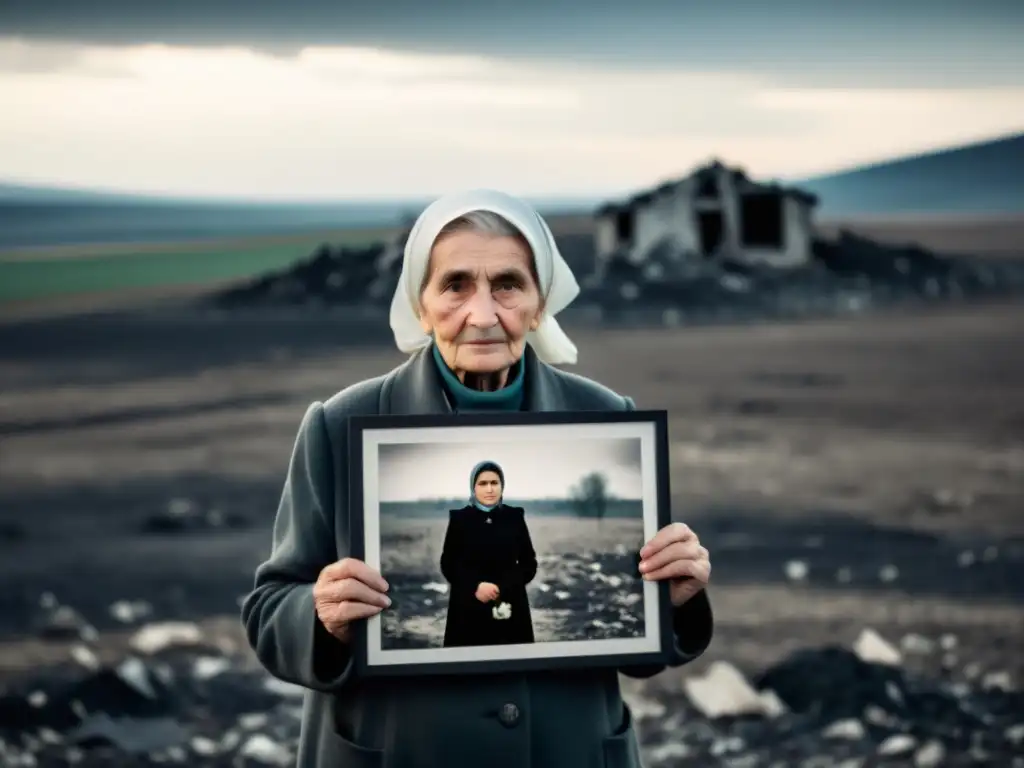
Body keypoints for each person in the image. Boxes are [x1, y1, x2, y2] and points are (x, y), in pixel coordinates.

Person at [241, 188, 714, 768]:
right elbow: (269, 611)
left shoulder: (609, 418)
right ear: (421, 303)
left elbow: (641, 646)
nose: (483, 314)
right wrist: (319, 615)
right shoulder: (339, 427)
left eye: (508, 285)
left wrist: (676, 596)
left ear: (540, 304)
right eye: (456, 285)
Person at [440, 460, 538, 647]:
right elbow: (448, 563)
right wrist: (475, 586)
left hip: (509, 607)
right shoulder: (460, 519)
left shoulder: (514, 517)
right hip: (468, 608)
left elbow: (529, 563)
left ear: (502, 486)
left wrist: (503, 587)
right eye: (483, 483)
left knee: (512, 666)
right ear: (473, 487)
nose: (490, 489)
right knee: (469, 670)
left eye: (495, 483)